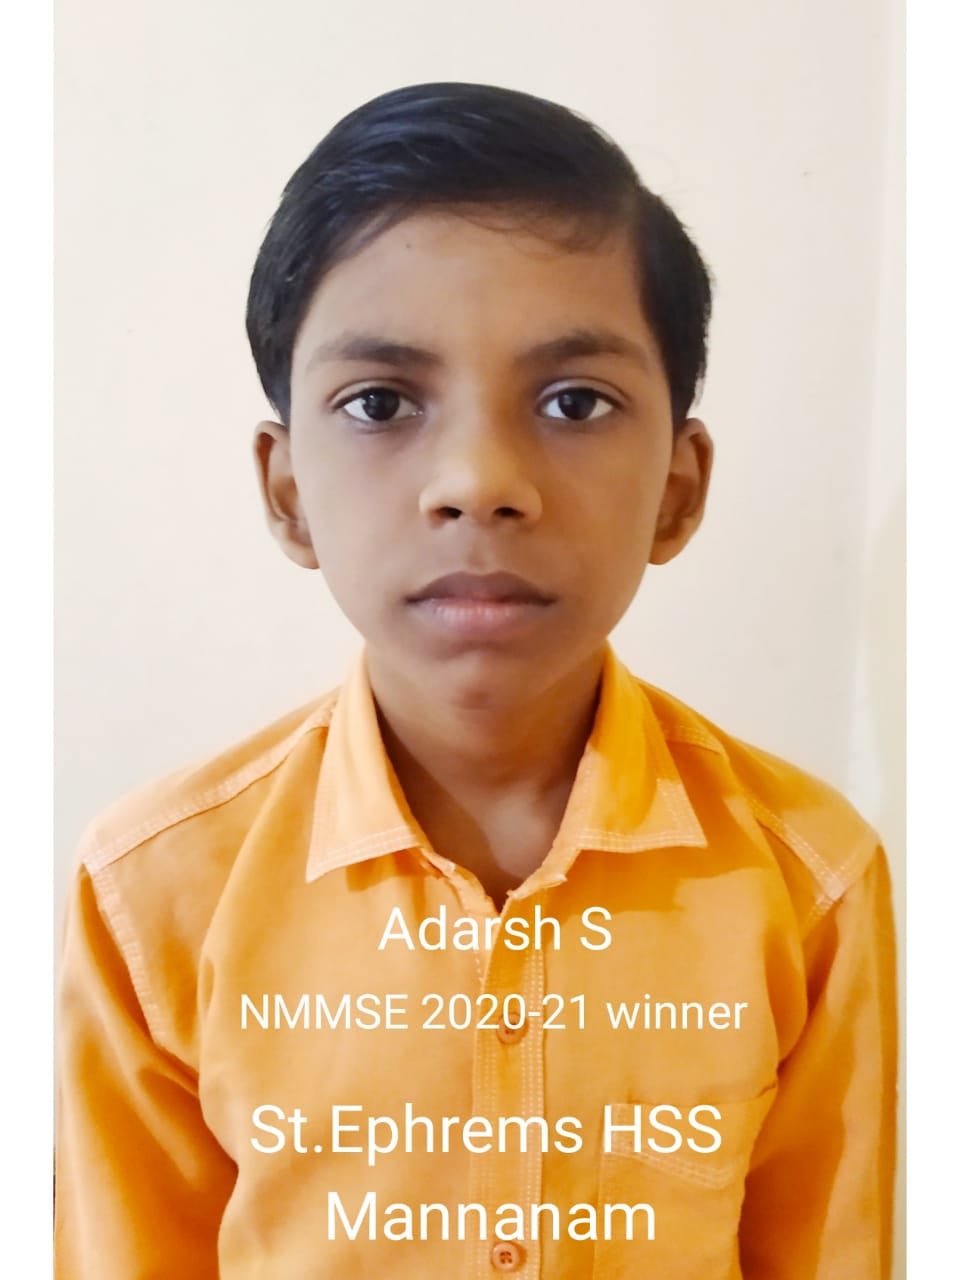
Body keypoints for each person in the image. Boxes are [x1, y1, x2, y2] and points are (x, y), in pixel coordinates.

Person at [54, 81, 897, 1278]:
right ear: (287, 491)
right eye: (381, 402)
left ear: (678, 488)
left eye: (574, 401)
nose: (478, 480)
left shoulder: (809, 886)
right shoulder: (153, 896)